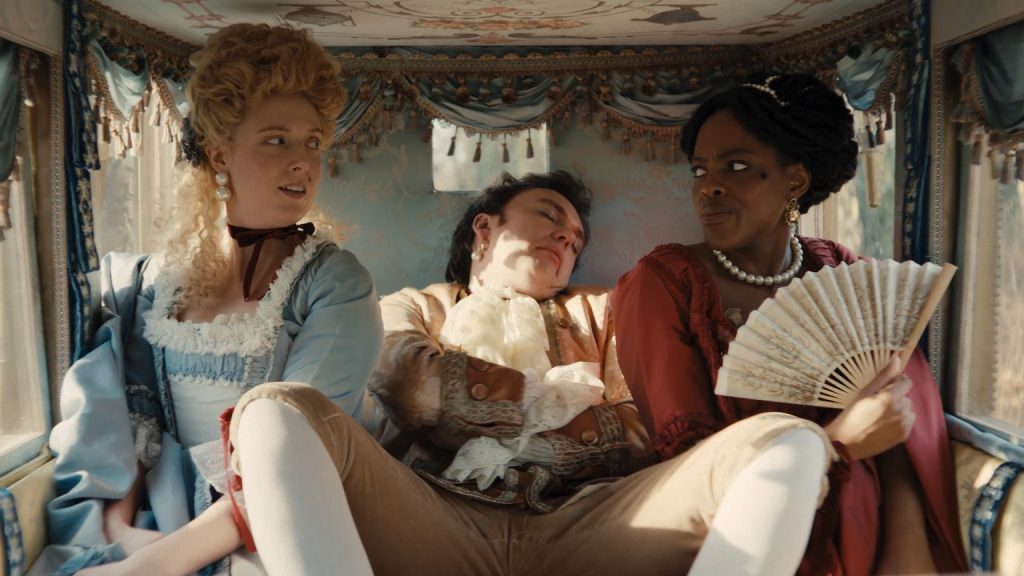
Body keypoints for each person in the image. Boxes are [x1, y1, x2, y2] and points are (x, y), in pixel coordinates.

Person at [220, 171, 844, 576]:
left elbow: (635, 430)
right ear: (484, 230)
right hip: (432, 511)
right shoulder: (415, 305)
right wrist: (558, 401)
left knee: (782, 440)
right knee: (274, 408)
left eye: (575, 240)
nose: (566, 240)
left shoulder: (605, 308)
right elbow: (416, 390)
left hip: (596, 520)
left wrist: (485, 412)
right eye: (550, 217)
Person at [33, 23, 383, 576]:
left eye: (313, 142)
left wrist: (155, 566)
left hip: (290, 525)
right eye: (277, 140)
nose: (303, 161)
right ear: (220, 155)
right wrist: (122, 534)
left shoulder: (337, 286)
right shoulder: (156, 283)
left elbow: (299, 453)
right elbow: (138, 423)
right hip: (170, 515)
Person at [613, 73, 968, 575]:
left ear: (795, 181)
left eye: (737, 166)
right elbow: (689, 464)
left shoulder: (845, 275)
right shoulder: (665, 284)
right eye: (700, 170)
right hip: (731, 540)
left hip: (861, 530)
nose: (708, 186)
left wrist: (906, 553)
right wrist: (835, 443)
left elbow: (899, 431)